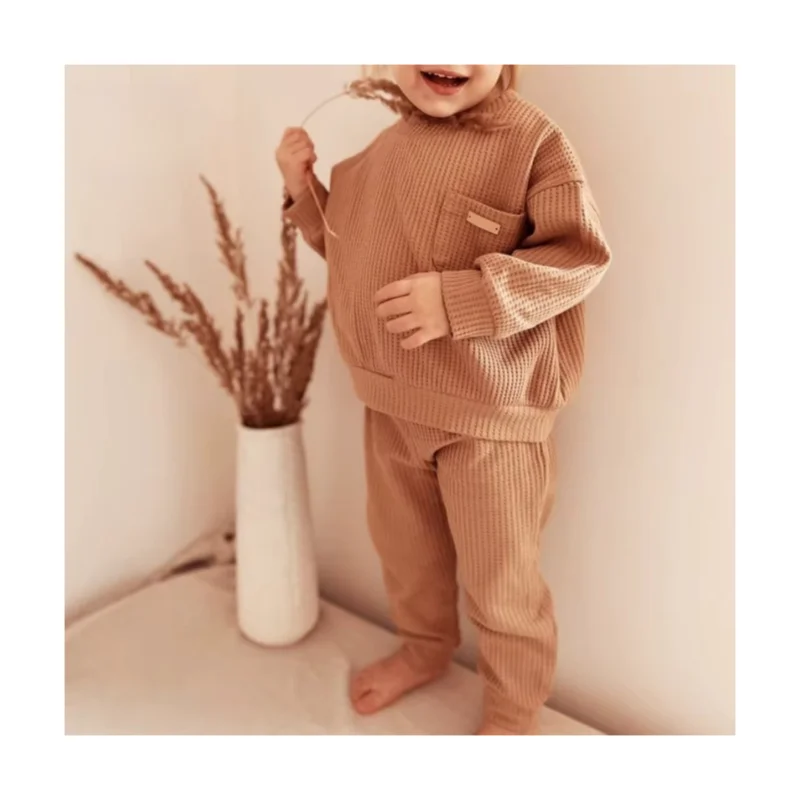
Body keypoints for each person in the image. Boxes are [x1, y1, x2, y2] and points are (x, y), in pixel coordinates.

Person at [277, 65, 611, 735]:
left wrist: (461, 299)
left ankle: (513, 713)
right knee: (407, 557)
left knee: (502, 584)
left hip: (489, 418)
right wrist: (300, 189)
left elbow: (579, 257)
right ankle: (423, 649)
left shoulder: (532, 143)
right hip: (389, 406)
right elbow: (344, 247)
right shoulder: (383, 151)